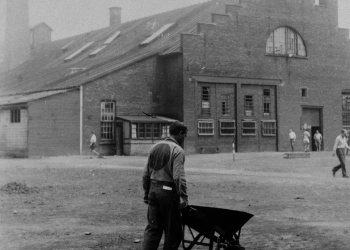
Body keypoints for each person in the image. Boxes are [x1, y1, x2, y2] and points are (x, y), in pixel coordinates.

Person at [141, 121, 189, 250]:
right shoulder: (177, 150)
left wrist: (146, 192)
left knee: (152, 231)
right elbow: (178, 177)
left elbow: (146, 174)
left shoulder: (154, 147)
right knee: (173, 233)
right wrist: (184, 197)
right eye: (184, 135)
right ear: (180, 133)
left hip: (153, 191)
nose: (184, 139)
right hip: (168, 194)